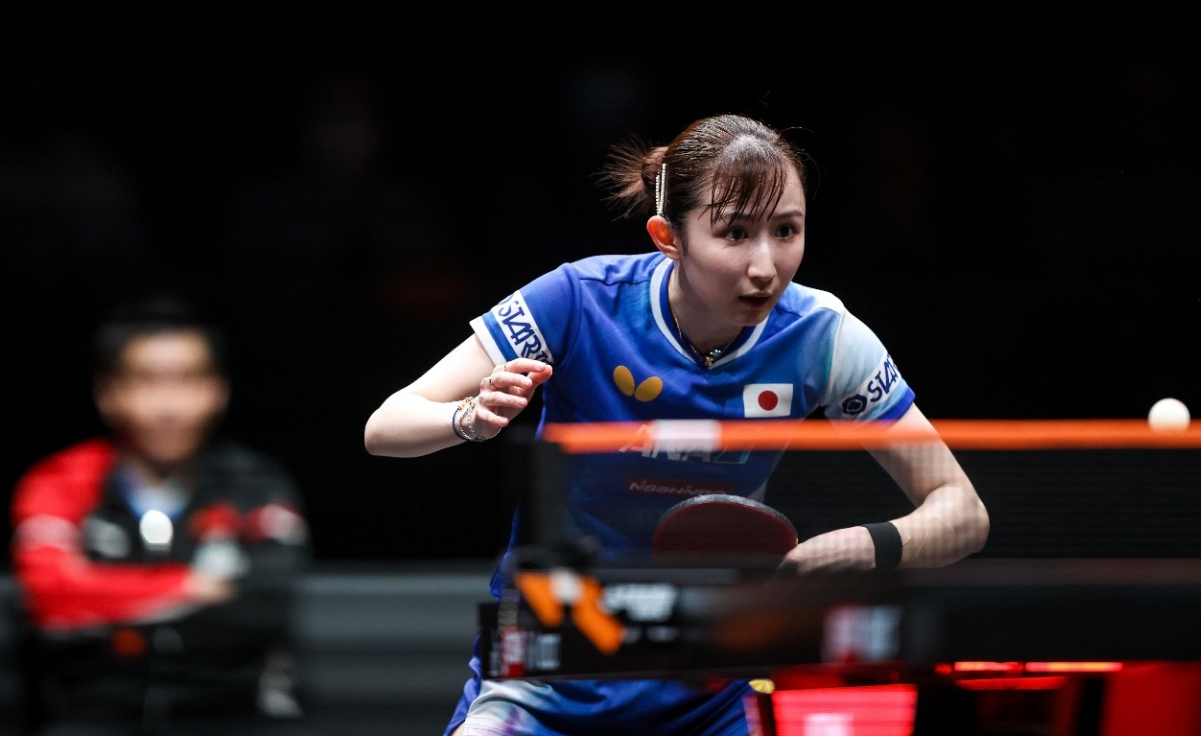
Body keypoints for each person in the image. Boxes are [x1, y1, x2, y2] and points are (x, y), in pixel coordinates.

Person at [364, 113, 990, 736]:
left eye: (786, 230)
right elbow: (386, 425)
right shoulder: (580, 299)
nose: (766, 265)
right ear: (669, 237)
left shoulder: (821, 337)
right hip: (549, 667)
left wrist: (863, 546)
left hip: (715, 676)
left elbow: (963, 513)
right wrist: (469, 418)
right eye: (735, 233)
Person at [10, 294, 312, 736]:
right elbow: (50, 597)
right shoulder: (59, 481)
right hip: (93, 715)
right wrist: (192, 586)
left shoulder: (257, 484)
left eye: (188, 380)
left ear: (217, 390)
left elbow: (263, 602)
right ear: (108, 392)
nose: (168, 406)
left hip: (231, 713)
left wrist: (104, 594)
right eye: (147, 380)